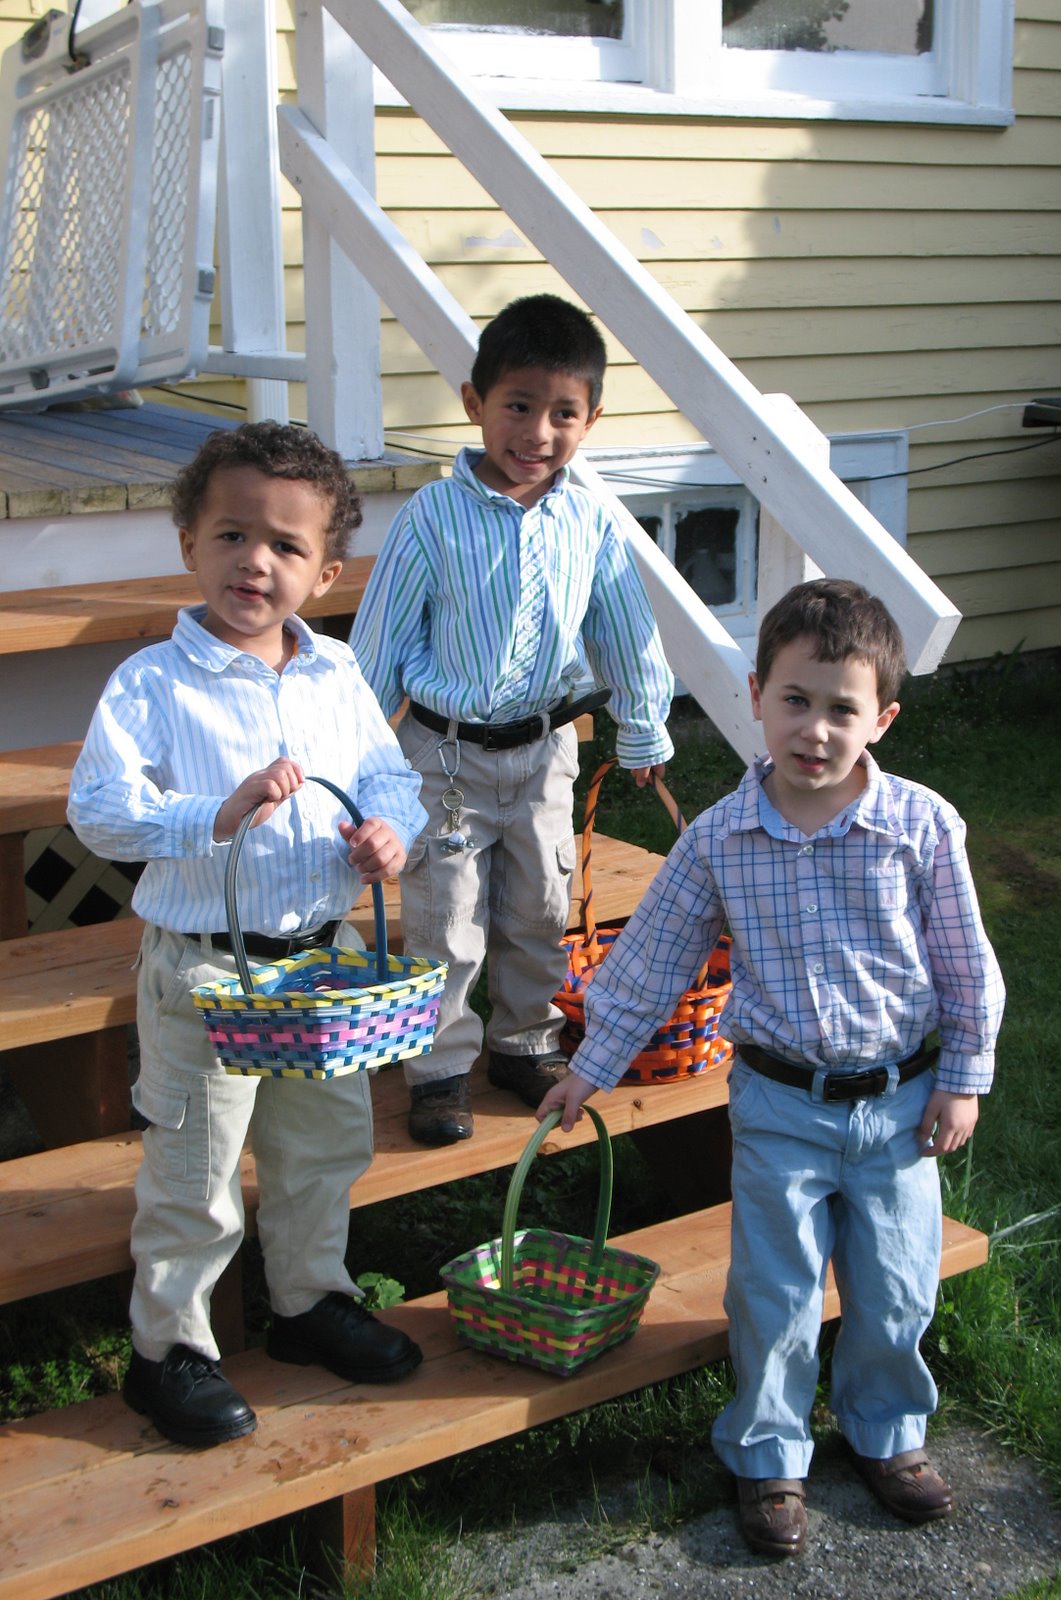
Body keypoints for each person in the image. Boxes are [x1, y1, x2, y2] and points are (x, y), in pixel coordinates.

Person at [537, 579, 1005, 1559]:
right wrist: (593, 1064)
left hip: (900, 1106)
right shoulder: (719, 837)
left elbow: (967, 963)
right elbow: (651, 960)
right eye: (796, 699)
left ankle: (886, 1430)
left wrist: (963, 1074)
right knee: (775, 1290)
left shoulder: (921, 827)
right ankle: (768, 1451)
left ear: (882, 719)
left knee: (896, 1285)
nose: (815, 730)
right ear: (757, 695)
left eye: (842, 709)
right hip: (779, 1106)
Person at [68, 422, 430, 1449]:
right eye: (231, 534)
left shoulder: (336, 674)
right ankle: (169, 1349)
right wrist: (210, 816)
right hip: (204, 976)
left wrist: (388, 828)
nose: (254, 561)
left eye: (284, 545)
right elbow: (98, 809)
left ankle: (310, 1301)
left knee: (323, 1148)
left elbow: (388, 774)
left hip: (320, 969)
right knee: (196, 1168)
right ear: (190, 540)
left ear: (325, 573)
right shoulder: (153, 683)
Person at [351, 293, 674, 1147]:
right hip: (443, 757)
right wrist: (351, 757)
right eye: (518, 406)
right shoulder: (431, 518)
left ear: (591, 419)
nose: (537, 432)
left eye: (563, 413)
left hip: (543, 756)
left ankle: (524, 1041)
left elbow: (624, 626)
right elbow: (378, 644)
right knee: (446, 918)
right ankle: (439, 1067)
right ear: (474, 403)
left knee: (538, 907)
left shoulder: (589, 522)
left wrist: (643, 724)